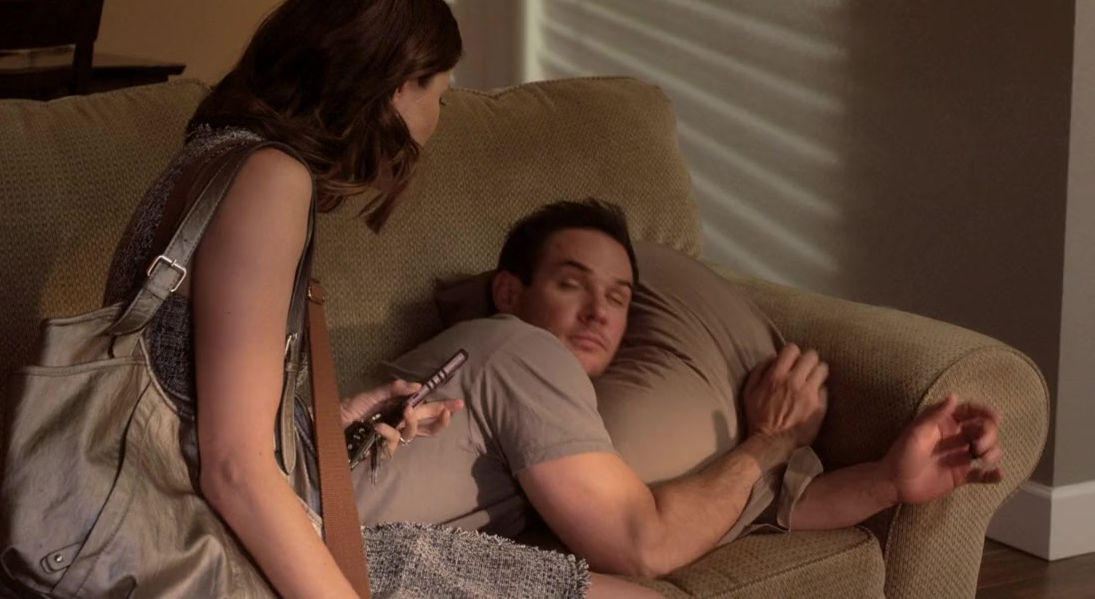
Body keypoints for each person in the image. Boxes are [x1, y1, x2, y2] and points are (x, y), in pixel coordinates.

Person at [356, 199, 1005, 578]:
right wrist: (770, 440)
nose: (598, 312)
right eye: (571, 284)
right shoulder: (520, 351)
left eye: (618, 298)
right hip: (330, 543)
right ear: (508, 292)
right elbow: (644, 544)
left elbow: (733, 510)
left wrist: (890, 481)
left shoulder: (557, 428)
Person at [102, 0, 468, 596]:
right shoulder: (268, 180)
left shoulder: (220, 152)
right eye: (442, 89)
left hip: (188, 521)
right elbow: (232, 471)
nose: (441, 113)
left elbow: (193, 401)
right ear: (397, 85)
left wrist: (335, 421)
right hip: (186, 543)